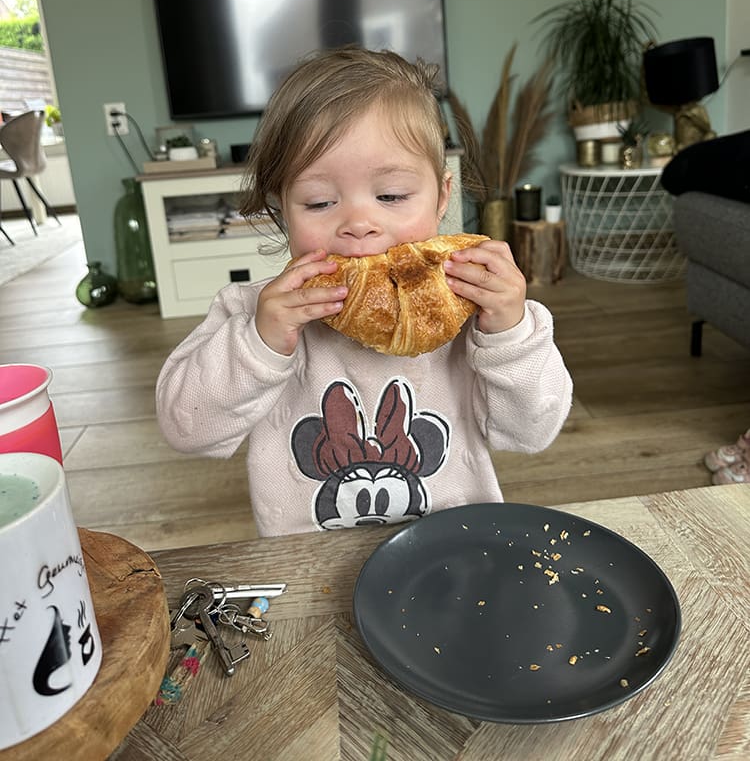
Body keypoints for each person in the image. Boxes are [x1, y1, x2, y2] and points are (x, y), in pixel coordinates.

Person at [156, 47, 573, 536]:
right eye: (319, 201)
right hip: (306, 557)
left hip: (453, 548)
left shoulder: (471, 310)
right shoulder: (254, 314)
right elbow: (187, 429)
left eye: (391, 196)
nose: (358, 223)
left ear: (442, 196)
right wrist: (258, 344)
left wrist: (510, 334)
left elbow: (530, 433)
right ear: (283, 207)